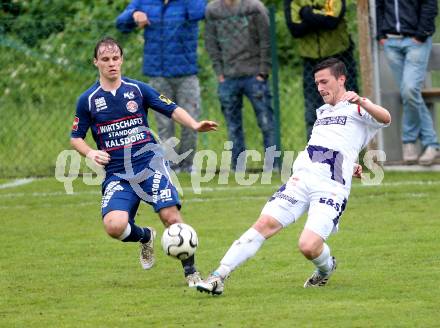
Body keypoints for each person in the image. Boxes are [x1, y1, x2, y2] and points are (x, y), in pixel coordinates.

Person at [196, 58, 391, 295]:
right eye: (317, 83)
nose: (320, 88)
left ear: (341, 79)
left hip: (330, 187)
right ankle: (218, 276)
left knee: (308, 246)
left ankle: (326, 268)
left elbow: (386, 118)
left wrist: (362, 100)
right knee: (263, 224)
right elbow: (332, 144)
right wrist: (348, 164)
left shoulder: (358, 107)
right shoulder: (323, 111)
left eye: (324, 81)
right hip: (301, 178)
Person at [70, 37, 218, 287]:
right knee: (114, 226)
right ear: (96, 62)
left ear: (122, 60)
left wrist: (194, 124)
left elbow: (171, 108)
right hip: (117, 173)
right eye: (105, 59)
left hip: (150, 164)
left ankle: (191, 272)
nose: (111, 64)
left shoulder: (137, 89)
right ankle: (145, 236)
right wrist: (91, 153)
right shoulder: (88, 100)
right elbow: (76, 137)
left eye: (115, 58)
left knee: (171, 216)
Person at [116, 0, 206, 172]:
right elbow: (121, 23)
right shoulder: (144, 1)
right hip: (157, 74)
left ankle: (187, 165)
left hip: (186, 73)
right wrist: (133, 15)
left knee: (190, 121)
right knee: (164, 124)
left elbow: (199, 13)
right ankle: (170, 165)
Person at [204, 0, 276, 171]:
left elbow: (267, 40)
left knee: (266, 123)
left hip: (254, 75)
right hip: (228, 77)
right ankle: (238, 167)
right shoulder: (213, 10)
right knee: (233, 126)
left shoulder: (254, 7)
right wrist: (219, 71)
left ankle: (273, 165)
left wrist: (263, 72)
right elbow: (210, 41)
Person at [376, 0, 440, 166]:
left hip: (415, 41)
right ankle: (422, 145)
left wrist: (420, 35)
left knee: (410, 90)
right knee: (409, 93)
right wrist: (381, 35)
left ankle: (417, 141)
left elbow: (430, 5)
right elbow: (378, 6)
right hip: (390, 42)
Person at [284, 0, 359, 141]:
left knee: (348, 107)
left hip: (339, 57)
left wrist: (306, 13)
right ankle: (315, 154)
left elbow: (332, 22)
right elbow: (295, 29)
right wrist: (320, 17)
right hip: (310, 61)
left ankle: (352, 152)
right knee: (313, 112)